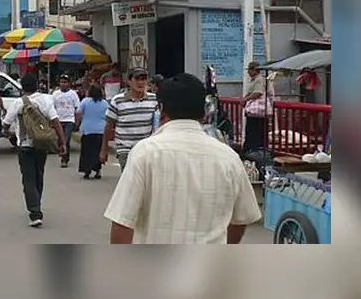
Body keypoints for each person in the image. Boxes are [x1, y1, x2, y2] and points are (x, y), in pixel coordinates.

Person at [104, 73, 262, 243]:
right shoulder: (228, 157)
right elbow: (241, 218)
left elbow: (122, 222)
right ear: (204, 112)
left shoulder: (145, 153)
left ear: (161, 109)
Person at [2, 73, 66, 227]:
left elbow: (6, 123)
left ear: (22, 87)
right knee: (39, 176)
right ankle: (37, 203)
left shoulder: (18, 103)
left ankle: (35, 212)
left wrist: (8, 133)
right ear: (37, 85)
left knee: (28, 179)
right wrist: (62, 142)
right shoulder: (45, 100)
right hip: (41, 145)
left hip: (24, 146)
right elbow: (56, 122)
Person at [100, 67, 158, 170]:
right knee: (129, 178)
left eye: (143, 79)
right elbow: (108, 126)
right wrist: (104, 149)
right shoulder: (118, 100)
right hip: (125, 148)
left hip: (146, 148)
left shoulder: (153, 100)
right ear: (129, 81)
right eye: (137, 79)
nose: (140, 83)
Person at [76, 84, 109, 179]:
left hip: (87, 130)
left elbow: (78, 113)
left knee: (86, 152)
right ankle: (97, 170)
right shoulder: (105, 103)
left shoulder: (85, 101)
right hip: (100, 130)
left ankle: (87, 170)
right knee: (97, 151)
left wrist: (78, 123)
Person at [51, 74, 81, 168]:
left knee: (66, 140)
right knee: (60, 139)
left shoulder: (73, 94)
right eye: (61, 82)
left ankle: (65, 159)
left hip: (69, 120)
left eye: (65, 82)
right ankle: (62, 152)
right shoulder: (55, 94)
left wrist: (77, 122)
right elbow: (51, 107)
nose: (63, 84)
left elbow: (77, 108)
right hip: (58, 120)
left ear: (69, 83)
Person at [242, 61, 268, 153]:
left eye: (250, 70)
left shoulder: (259, 80)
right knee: (250, 130)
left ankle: (254, 150)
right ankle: (249, 148)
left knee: (255, 131)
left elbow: (258, 92)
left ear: (255, 70)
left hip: (258, 111)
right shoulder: (254, 80)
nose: (248, 72)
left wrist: (246, 99)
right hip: (252, 111)